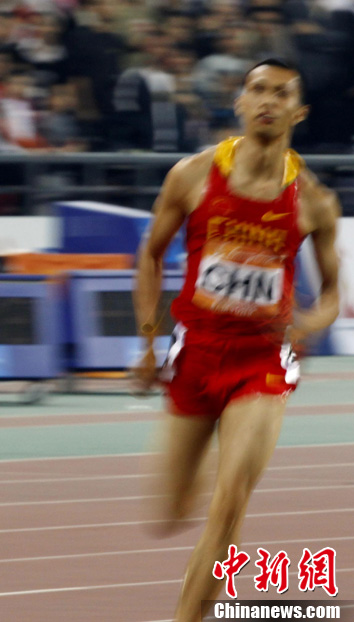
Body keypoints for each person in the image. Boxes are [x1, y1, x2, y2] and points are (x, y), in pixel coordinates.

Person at [132, 58, 340, 622]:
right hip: (196, 353)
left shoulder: (314, 201)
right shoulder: (192, 176)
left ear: (299, 112)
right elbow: (151, 256)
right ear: (240, 103)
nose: (268, 101)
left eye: (281, 93)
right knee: (171, 512)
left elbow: (332, 296)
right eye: (258, 90)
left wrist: (307, 323)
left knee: (229, 507)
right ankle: (209, 455)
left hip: (262, 362)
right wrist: (148, 342)